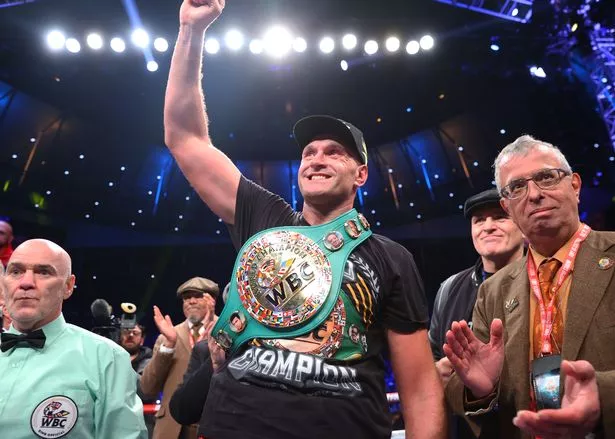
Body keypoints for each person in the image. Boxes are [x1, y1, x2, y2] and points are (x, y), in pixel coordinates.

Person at [162, 2, 445, 438]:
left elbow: (420, 386)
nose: (316, 158)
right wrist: (191, 30)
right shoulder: (265, 217)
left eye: (334, 152)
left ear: (361, 174)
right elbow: (185, 137)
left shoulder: (391, 258)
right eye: (309, 152)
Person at [443, 135, 615, 439]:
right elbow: (462, 388)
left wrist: (604, 395)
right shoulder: (493, 290)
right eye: (517, 188)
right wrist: (483, 388)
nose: (534, 194)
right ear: (507, 206)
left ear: (575, 185)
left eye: (547, 177)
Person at [0, 239, 147, 438]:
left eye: (43, 272)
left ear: (68, 286)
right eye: (16, 271)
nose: (26, 283)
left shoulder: (106, 357)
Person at [429, 188, 525, 439]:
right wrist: (437, 370)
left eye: (499, 217)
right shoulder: (449, 289)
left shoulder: (543, 280)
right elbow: (433, 356)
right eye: (479, 220)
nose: (488, 226)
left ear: (522, 227)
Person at [140, 276, 218, 439]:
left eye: (197, 296)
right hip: (172, 429)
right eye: (186, 298)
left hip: (213, 425)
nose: (191, 301)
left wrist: (217, 332)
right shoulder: (168, 335)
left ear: (212, 299)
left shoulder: (226, 332)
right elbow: (147, 388)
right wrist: (168, 346)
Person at [169, 320, 224, 435]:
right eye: (186, 300)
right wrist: (215, 362)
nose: (192, 301)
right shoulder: (206, 349)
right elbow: (182, 411)